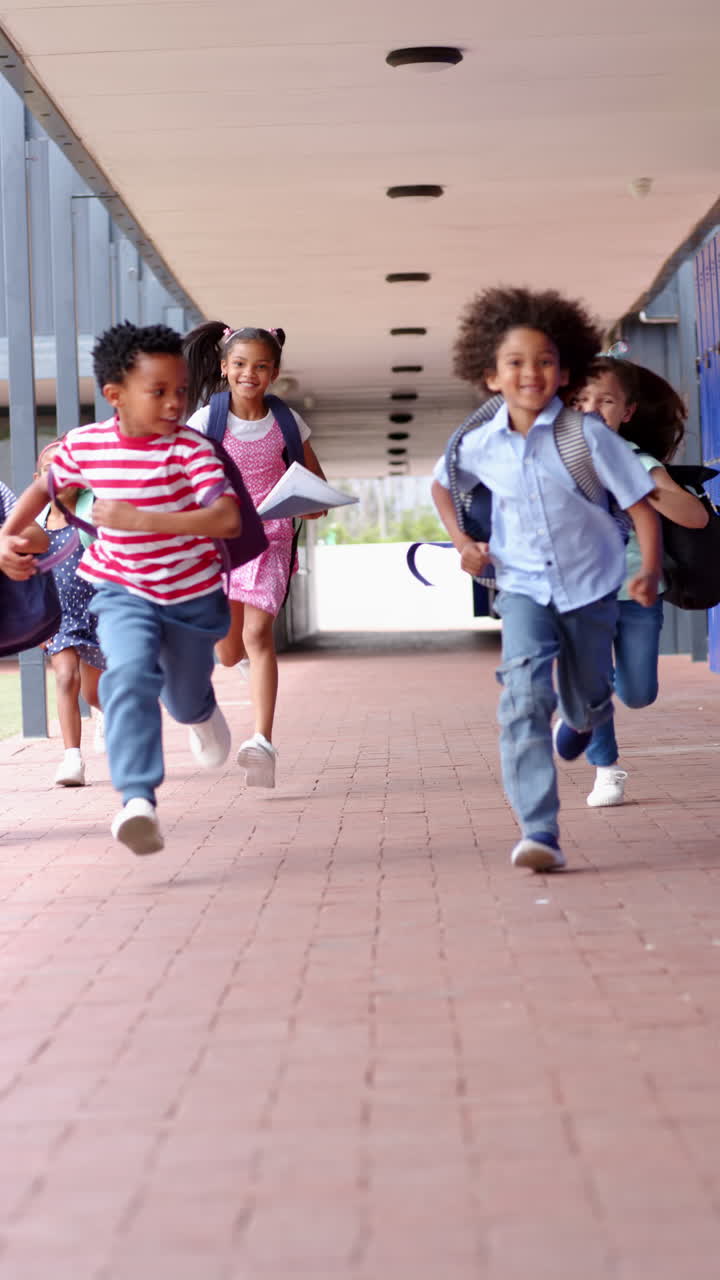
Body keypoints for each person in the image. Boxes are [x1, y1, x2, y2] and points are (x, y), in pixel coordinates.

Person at [431, 286, 662, 873]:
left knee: (586, 694)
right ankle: (539, 832)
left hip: (590, 587)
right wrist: (464, 544)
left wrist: (649, 571)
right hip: (523, 587)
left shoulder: (588, 436)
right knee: (523, 700)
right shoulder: (478, 443)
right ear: (491, 376)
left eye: (544, 361)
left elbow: (639, 506)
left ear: (563, 372)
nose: (530, 372)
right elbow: (442, 484)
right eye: (515, 362)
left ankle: (586, 714)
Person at [0, 322, 241, 856]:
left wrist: (143, 519)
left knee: (182, 696)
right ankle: (137, 801)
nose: (175, 403)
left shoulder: (191, 450)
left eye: (181, 390)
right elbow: (45, 487)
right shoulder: (86, 445)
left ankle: (200, 712)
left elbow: (226, 518)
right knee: (127, 677)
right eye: (159, 391)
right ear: (115, 395)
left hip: (190, 597)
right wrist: (7, 535)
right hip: (122, 591)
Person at [183, 323, 326, 789]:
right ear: (225, 368)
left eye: (261, 366)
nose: (250, 373)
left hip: (271, 541)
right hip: (221, 544)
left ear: (275, 372)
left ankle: (262, 742)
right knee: (228, 652)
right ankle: (239, 668)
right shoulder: (205, 422)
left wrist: (311, 503)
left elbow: (316, 489)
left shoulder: (288, 422)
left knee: (258, 634)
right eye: (241, 364)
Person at [574, 356, 707, 807]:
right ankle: (605, 768)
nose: (592, 410)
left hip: (637, 593)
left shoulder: (639, 461)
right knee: (590, 680)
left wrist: (638, 486)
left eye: (606, 401)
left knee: (637, 693)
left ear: (627, 411)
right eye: (580, 401)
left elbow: (695, 517)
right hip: (579, 596)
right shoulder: (553, 458)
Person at [35, 441, 105, 787]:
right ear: (38, 478)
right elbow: (30, 579)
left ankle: (107, 716)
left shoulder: (93, 511)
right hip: (60, 618)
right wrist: (37, 623)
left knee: (93, 694)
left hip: (100, 613)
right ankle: (72, 759)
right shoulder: (36, 525)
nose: (59, 474)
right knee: (65, 677)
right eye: (50, 468)